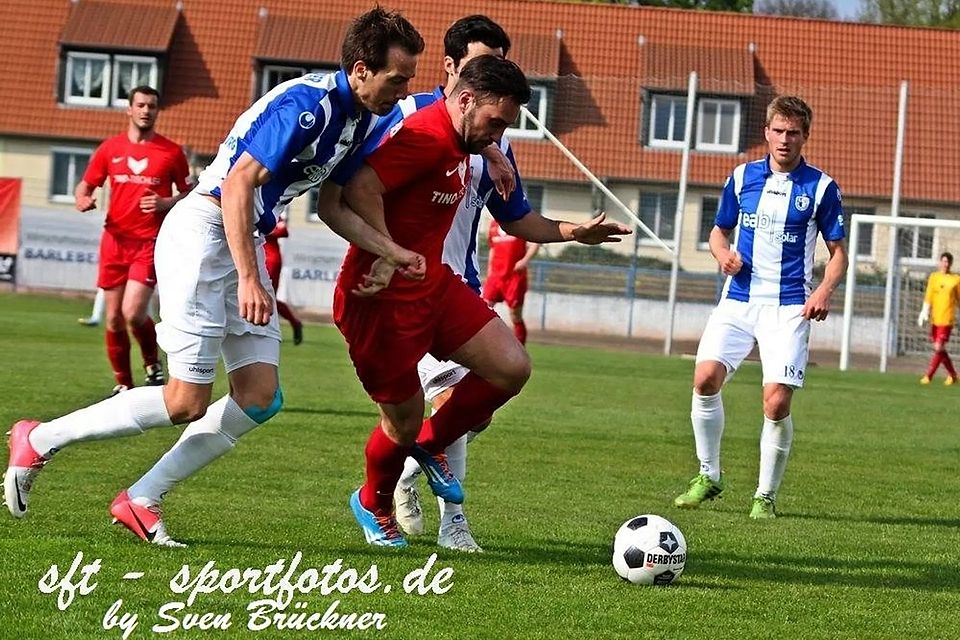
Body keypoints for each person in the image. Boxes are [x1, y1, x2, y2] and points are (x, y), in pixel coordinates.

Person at [4, 7, 426, 547]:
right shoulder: (307, 106)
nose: (402, 89)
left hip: (241, 235)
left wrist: (390, 250)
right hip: (207, 230)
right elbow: (237, 187)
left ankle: (140, 498)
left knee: (259, 396)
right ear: (363, 69)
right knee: (185, 401)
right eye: (397, 78)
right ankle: (39, 438)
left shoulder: (361, 118)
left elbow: (334, 206)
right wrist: (250, 279)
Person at [324, 54, 630, 548]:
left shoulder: (468, 141)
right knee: (400, 421)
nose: (499, 134)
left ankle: (429, 446)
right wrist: (386, 250)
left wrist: (578, 232)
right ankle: (373, 501)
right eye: (496, 122)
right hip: (377, 301)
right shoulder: (422, 134)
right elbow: (360, 187)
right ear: (464, 98)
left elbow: (517, 218)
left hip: (435, 285)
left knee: (511, 367)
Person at [673, 95, 847, 520]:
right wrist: (721, 255)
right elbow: (718, 232)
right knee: (705, 378)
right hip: (738, 299)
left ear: (805, 135)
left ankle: (764, 496)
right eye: (778, 131)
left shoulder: (821, 187)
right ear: (766, 132)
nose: (785, 140)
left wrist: (823, 289)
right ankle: (708, 475)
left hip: (788, 306)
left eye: (794, 132)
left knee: (775, 404)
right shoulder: (740, 177)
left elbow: (838, 251)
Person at [74, 86, 192, 394]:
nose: (146, 110)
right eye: (140, 105)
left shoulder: (171, 152)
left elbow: (189, 192)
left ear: (157, 111)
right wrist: (83, 199)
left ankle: (152, 363)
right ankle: (123, 385)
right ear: (129, 109)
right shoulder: (110, 149)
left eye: (152, 106)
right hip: (114, 240)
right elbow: (85, 187)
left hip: (149, 242)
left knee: (133, 312)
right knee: (113, 319)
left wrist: (167, 202)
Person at [484, 218, 540, 344]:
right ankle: (487, 345)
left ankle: (520, 348)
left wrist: (524, 261)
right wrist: (489, 272)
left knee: (515, 315)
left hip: (514, 276)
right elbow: (492, 249)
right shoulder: (493, 225)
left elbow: (535, 243)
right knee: (484, 310)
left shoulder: (519, 221)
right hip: (495, 276)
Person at [917, 251, 960, 385]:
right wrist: (924, 311)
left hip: (947, 320)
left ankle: (928, 376)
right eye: (943, 261)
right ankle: (953, 375)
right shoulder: (934, 277)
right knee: (940, 349)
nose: (945, 264)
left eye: (947, 262)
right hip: (935, 319)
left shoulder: (956, 279)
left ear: (951, 263)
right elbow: (929, 295)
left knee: (938, 347)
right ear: (940, 262)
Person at [263, 209, 304, 345]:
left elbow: (283, 231)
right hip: (257, 257)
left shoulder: (269, 211)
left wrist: (262, 230)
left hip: (270, 260)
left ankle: (292, 323)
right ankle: (294, 323)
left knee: (269, 296)